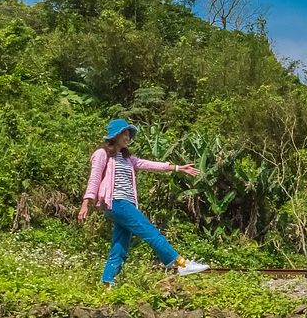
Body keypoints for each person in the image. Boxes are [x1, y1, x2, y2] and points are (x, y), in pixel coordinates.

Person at [79, 119, 209, 285]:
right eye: (124, 134)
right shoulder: (102, 154)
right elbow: (95, 178)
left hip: (126, 204)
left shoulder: (128, 159)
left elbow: (149, 165)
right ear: (115, 135)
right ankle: (180, 264)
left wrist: (177, 168)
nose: (127, 137)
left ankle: (107, 283)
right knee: (150, 232)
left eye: (128, 134)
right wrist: (86, 202)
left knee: (119, 246)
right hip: (117, 202)